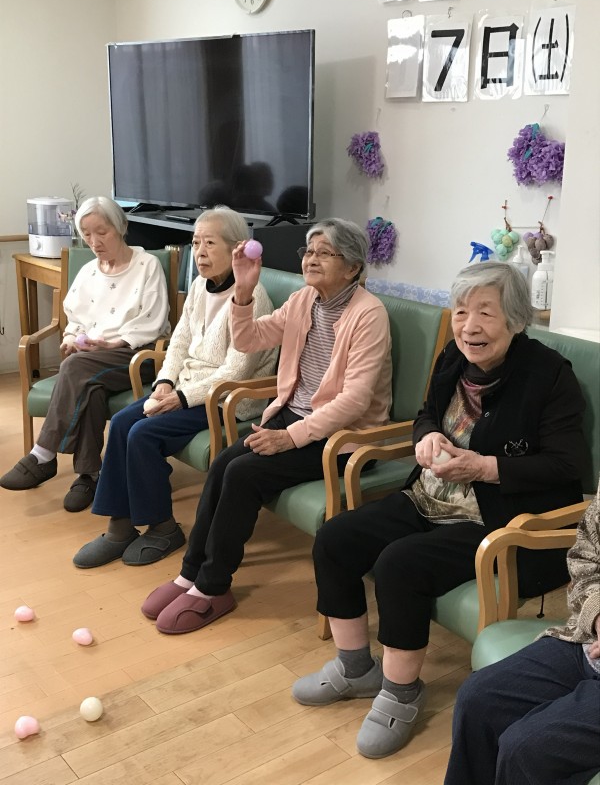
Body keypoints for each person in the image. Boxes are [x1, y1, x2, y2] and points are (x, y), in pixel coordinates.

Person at [292, 261, 588, 760]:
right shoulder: (454, 356)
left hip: (502, 520)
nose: (469, 326)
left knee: (400, 564)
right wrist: (427, 435)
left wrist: (484, 467)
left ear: (516, 319)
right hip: (432, 496)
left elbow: (567, 465)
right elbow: (427, 413)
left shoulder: (550, 376)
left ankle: (401, 693)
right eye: (461, 311)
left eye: (486, 313)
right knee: (336, 537)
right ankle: (355, 667)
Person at [140, 218, 393, 634]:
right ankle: (189, 574)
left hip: (344, 439)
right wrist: (242, 292)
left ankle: (213, 587)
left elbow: (355, 401)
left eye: (324, 253)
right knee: (223, 463)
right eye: (309, 251)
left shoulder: (369, 314)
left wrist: (289, 438)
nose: (311, 260)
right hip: (293, 419)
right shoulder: (304, 299)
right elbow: (249, 340)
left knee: (242, 474)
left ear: (352, 267)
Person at [72, 206, 277, 568]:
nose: (199, 252)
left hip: (226, 399)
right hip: (186, 388)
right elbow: (179, 342)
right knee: (122, 423)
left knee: (143, 434)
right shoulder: (199, 286)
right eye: (196, 243)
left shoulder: (252, 297)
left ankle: (163, 527)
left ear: (237, 249)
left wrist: (181, 397)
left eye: (209, 243)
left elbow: (237, 372)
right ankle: (120, 526)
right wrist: (165, 382)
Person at [0, 196, 170, 512]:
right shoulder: (89, 271)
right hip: (92, 360)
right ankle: (89, 475)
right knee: (89, 386)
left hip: (137, 355)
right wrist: (70, 339)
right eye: (87, 234)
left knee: (77, 369)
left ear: (121, 227)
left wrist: (112, 343)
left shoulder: (147, 266)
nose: (94, 241)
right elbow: (75, 319)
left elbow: (153, 322)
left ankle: (43, 454)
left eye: (102, 232)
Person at [444, 483, 600, 785]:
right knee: (477, 699)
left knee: (526, 750)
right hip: (587, 642)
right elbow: (587, 558)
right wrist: (596, 614)